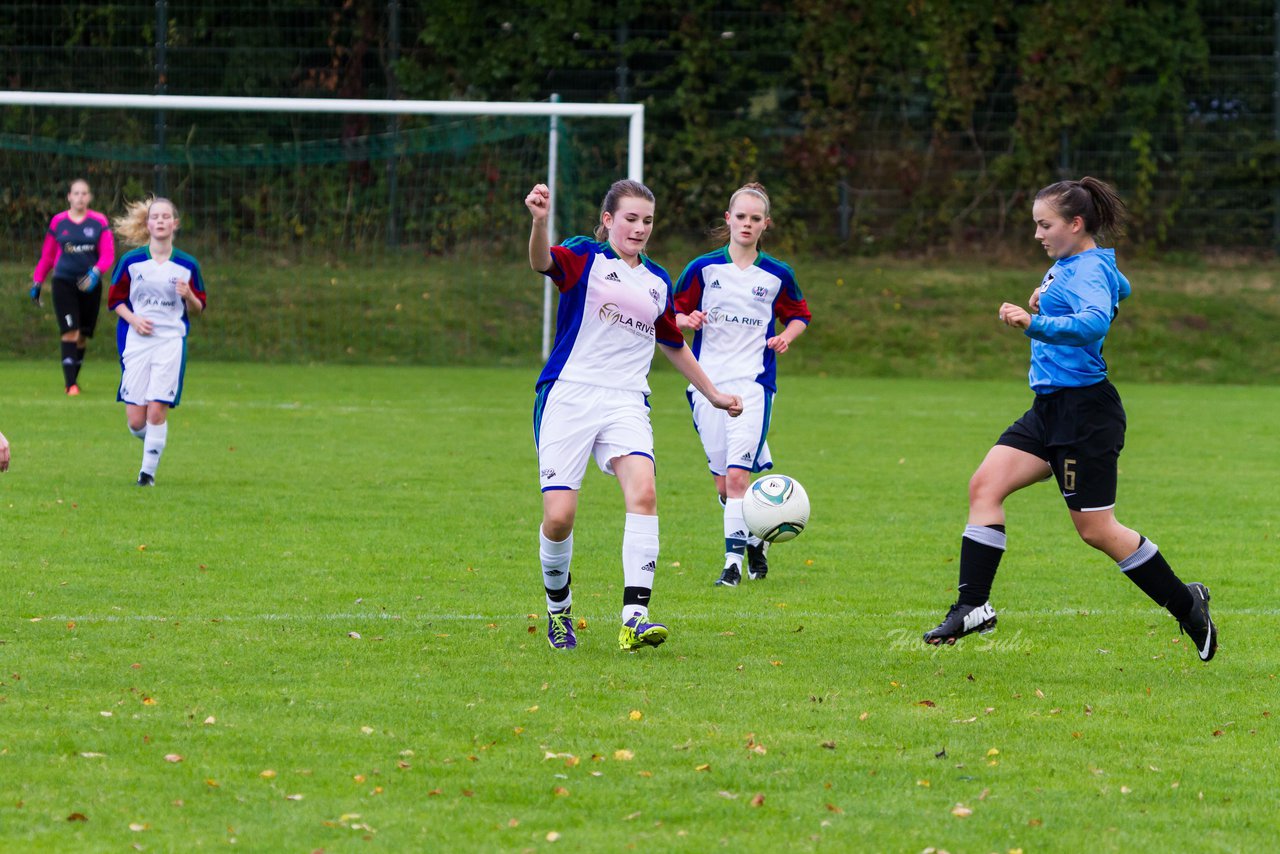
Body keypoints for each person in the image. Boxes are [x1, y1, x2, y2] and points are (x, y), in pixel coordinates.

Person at [922, 176, 1217, 662]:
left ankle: (1188, 605)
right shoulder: (1079, 264)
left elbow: (1094, 322)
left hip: (1085, 414)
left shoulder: (1084, 271)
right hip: (1049, 409)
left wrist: (1033, 319)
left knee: (1097, 531)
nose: (1037, 234)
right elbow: (1121, 285)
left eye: (1045, 224)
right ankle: (973, 605)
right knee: (985, 487)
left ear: (1075, 224)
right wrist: (1049, 291)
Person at [525, 180, 744, 652]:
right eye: (630, 218)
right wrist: (540, 223)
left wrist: (714, 394)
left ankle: (635, 618)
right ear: (608, 220)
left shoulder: (657, 281)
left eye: (647, 221)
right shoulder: (586, 256)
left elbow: (673, 343)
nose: (639, 228)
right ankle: (559, 611)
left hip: (626, 399)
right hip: (570, 394)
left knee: (644, 492)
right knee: (559, 518)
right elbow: (541, 262)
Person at [673, 183, 811, 587]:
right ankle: (755, 539)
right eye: (741, 216)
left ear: (765, 224)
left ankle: (731, 566)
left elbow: (799, 314)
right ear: (728, 219)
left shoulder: (777, 274)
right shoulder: (702, 269)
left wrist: (788, 336)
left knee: (737, 479)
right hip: (706, 384)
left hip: (753, 385)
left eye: (756, 218)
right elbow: (670, 313)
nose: (747, 224)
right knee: (723, 485)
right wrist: (686, 321)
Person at [108, 197, 206, 487]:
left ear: (175, 224)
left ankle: (146, 475)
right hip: (137, 342)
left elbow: (199, 309)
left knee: (156, 409)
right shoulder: (132, 262)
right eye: (156, 217)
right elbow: (115, 301)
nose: (161, 221)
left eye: (166, 217)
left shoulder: (188, 265)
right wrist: (135, 319)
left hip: (170, 342)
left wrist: (189, 295)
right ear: (147, 224)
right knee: (137, 421)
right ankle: (154, 437)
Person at [30, 179, 116, 395]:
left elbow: (107, 255)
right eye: (76, 193)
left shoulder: (99, 221)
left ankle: (73, 379)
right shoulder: (59, 222)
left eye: (84, 193)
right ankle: (71, 385)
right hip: (64, 282)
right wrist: (38, 280)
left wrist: (96, 272)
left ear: (89, 197)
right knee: (70, 331)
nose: (80, 197)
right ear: (69, 196)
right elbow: (48, 256)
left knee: (82, 335)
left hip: (89, 285)